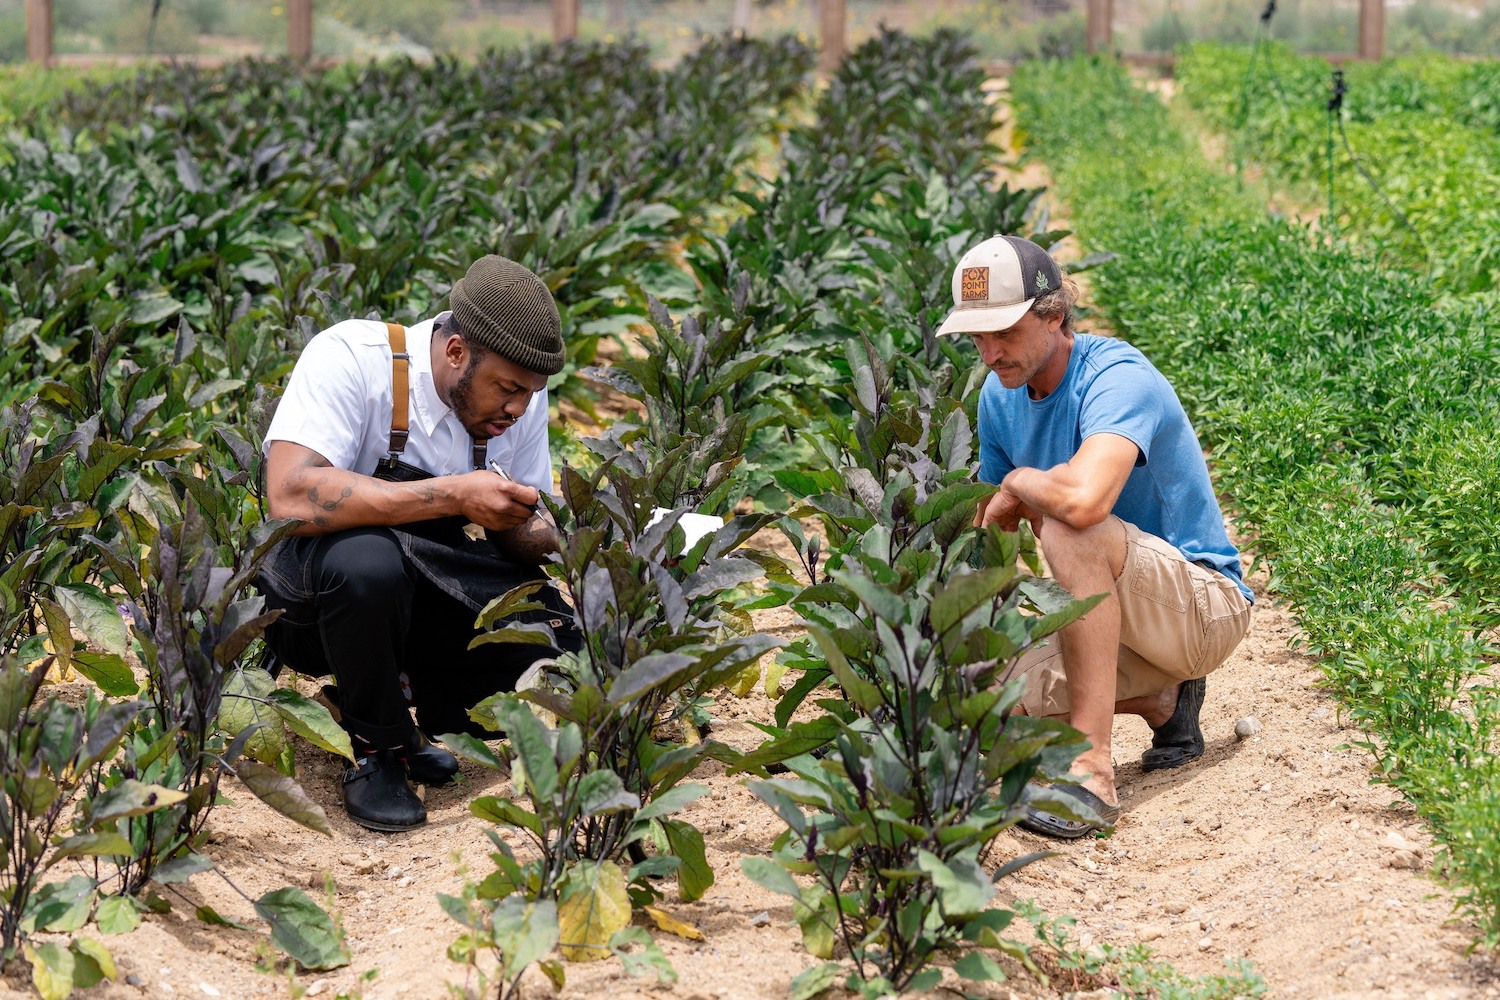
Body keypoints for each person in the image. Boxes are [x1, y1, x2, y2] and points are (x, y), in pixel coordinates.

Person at [936, 235, 1254, 840]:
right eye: (976, 336)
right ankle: (1167, 702)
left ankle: (1092, 772)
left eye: (1004, 331)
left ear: (1053, 315)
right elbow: (993, 537)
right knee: (981, 703)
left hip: (1202, 606)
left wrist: (1022, 481)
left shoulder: (1116, 378)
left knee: (1069, 527)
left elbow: (1084, 502)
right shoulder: (998, 399)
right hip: (1121, 620)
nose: (989, 351)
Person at [255, 254, 579, 833]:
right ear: (456, 353)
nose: (518, 408)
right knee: (369, 564)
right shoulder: (354, 358)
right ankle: (378, 751)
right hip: (317, 605)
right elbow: (290, 493)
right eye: (506, 389)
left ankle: (415, 709)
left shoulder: (517, 399)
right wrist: (454, 495)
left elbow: (520, 540)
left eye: (531, 393)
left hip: (424, 587)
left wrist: (584, 543)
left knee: (551, 646)